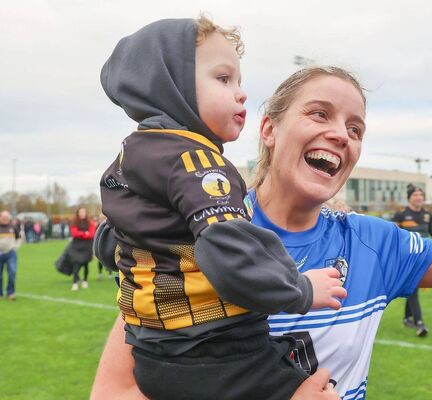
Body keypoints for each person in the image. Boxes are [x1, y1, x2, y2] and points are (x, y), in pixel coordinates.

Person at [91, 64, 432, 399]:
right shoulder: (202, 232)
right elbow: (114, 392)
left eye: (356, 127)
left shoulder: (372, 242)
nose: (342, 134)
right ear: (269, 130)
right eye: (319, 114)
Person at [97, 17, 344, 400]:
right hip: (219, 354)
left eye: (239, 81)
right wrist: (301, 288)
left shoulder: (128, 157)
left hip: (152, 356)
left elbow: (111, 244)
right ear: (171, 85)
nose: (241, 93)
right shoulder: (197, 161)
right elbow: (227, 250)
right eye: (223, 78)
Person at [394, 183, 432, 337]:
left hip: (424, 259)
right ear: (409, 198)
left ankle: (407, 318)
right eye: (415, 195)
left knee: (412, 288)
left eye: (421, 195)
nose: (419, 197)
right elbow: (393, 238)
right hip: (407, 259)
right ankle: (420, 324)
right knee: (413, 289)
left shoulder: (427, 215)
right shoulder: (400, 215)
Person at [68, 207, 96, 291]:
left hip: (87, 246)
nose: (82, 213)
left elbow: (91, 234)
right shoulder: (74, 222)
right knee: (76, 264)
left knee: (85, 264)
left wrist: (81, 234)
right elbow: (74, 233)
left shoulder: (90, 222)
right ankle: (75, 283)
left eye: (84, 212)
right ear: (78, 213)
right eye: (81, 212)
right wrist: (84, 233)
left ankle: (85, 281)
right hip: (77, 246)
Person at [0, 210, 21, 300]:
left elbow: (19, 238)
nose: (5, 219)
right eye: (3, 217)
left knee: (12, 272)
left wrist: (15, 247)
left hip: (11, 253)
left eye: (7, 217)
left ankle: (10, 293)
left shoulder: (13, 227)